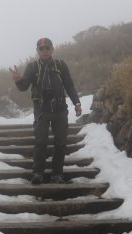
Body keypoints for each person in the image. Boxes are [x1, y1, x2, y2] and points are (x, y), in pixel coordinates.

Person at [9, 37, 82, 185]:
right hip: (41, 110)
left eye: (47, 48)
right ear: (37, 51)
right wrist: (18, 80)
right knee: (40, 142)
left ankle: (57, 174)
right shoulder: (32, 67)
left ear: (52, 49)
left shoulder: (60, 65)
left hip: (61, 109)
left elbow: (69, 85)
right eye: (41, 48)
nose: (44, 51)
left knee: (60, 143)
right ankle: (37, 173)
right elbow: (24, 87)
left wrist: (77, 103)